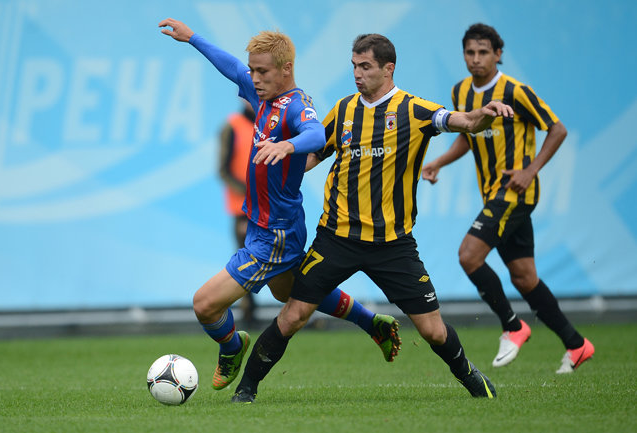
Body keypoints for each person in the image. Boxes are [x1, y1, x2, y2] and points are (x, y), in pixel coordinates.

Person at [231, 33, 515, 404]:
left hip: (393, 244)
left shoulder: (414, 109)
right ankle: (246, 390)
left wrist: (481, 115)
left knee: (432, 330)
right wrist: (282, 165)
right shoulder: (344, 110)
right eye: (354, 66)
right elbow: (315, 154)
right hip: (336, 238)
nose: (357, 74)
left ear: (388, 68)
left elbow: (462, 121)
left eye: (365, 67)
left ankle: (471, 377)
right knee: (293, 315)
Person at [158, 19, 401, 392]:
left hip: (275, 235)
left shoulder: (296, 105)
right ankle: (373, 323)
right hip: (266, 225)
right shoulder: (262, 95)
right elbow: (231, 67)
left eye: (262, 72)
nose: (254, 78)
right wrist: (193, 38)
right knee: (289, 293)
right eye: (253, 70)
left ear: (286, 69)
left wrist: (288, 145)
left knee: (205, 305)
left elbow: (316, 134)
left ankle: (232, 346)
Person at [421, 23, 594, 373]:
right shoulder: (460, 91)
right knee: (524, 277)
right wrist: (439, 161)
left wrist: (530, 170)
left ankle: (513, 326)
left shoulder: (515, 91)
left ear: (498, 54)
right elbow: (469, 135)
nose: (476, 59)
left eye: (483, 52)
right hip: (493, 194)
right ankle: (577, 344)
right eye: (470, 52)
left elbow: (557, 129)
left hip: (516, 191)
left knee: (468, 255)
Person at [218, 100, 257, 325]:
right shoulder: (232, 126)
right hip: (242, 209)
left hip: (268, 207)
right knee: (245, 262)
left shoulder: (270, 124)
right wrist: (248, 192)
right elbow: (223, 170)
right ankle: (248, 313)